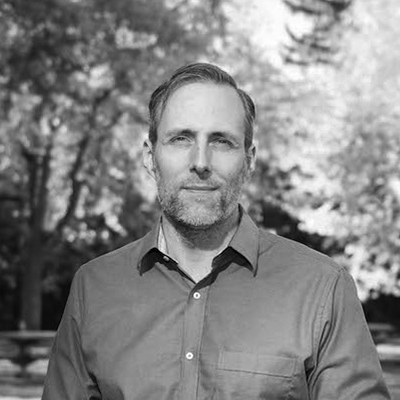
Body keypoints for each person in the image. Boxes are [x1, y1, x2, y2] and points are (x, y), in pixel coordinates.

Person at [42, 63, 390, 400]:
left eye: (221, 141)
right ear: (150, 156)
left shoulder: (322, 289)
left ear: (249, 160)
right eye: (181, 139)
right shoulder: (94, 289)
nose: (201, 162)